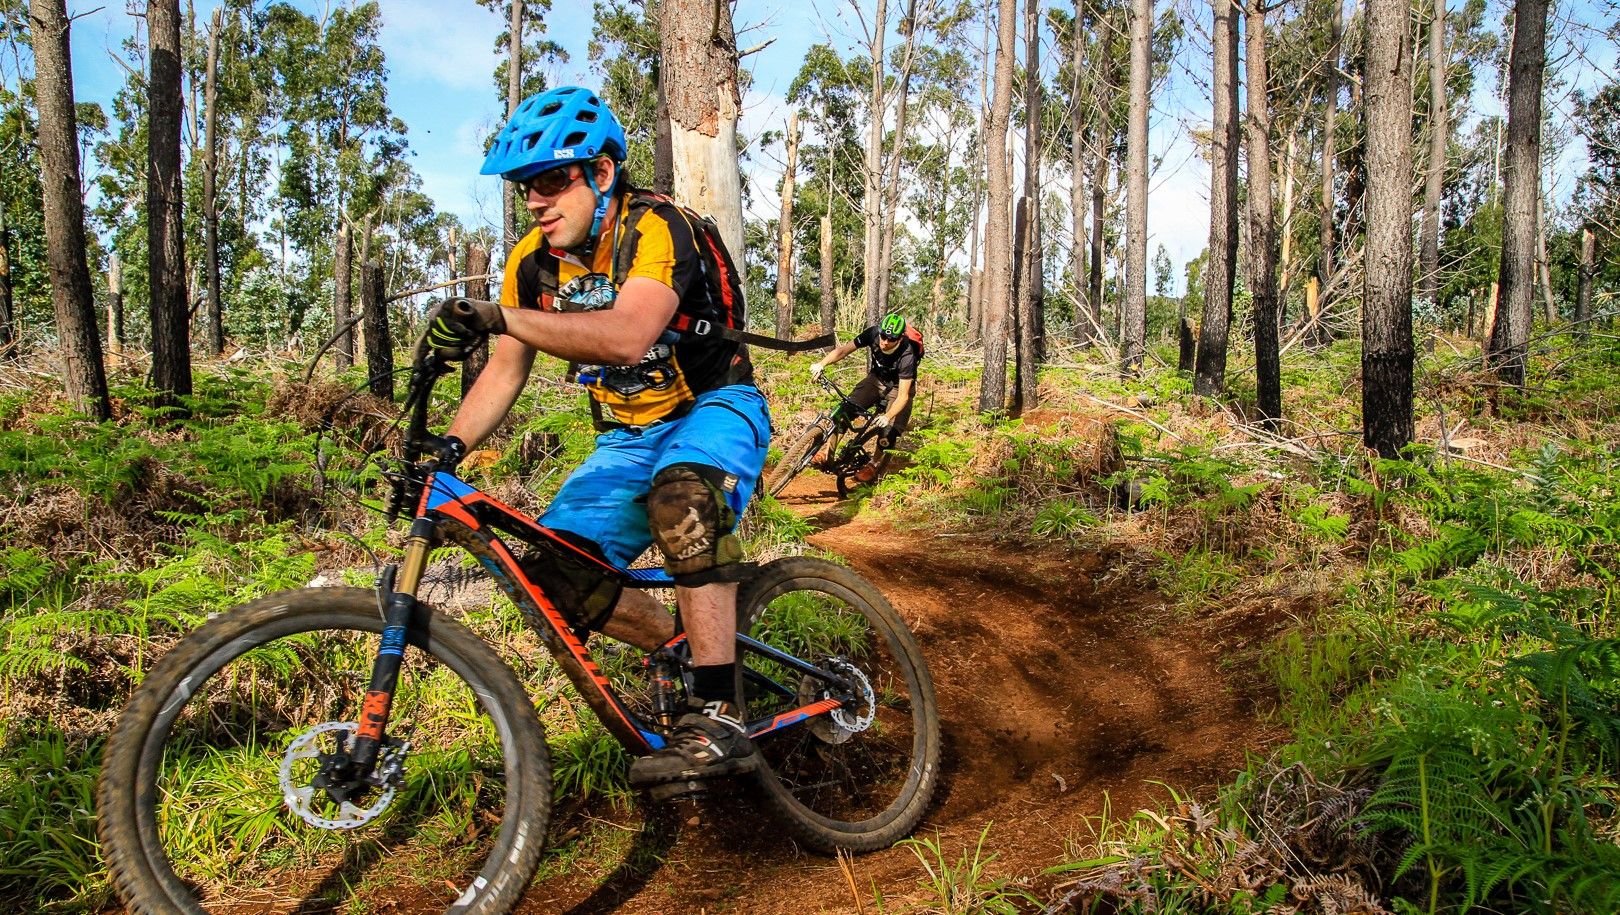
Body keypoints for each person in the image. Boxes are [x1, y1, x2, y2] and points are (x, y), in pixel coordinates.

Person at [425, 86, 769, 789]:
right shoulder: (531, 263)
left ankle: (720, 709)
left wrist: (500, 317)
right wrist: (446, 449)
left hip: (714, 406)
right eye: (526, 188)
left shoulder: (657, 227)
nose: (536, 201)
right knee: (551, 575)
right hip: (624, 438)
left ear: (603, 173)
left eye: (553, 181)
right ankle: (688, 648)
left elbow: (628, 332)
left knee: (683, 498)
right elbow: (504, 371)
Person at [807, 312, 920, 481]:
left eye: (891, 339)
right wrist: (821, 364)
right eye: (883, 336)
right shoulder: (873, 333)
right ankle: (827, 454)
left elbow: (903, 396)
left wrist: (887, 416)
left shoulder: (907, 356)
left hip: (899, 387)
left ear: (900, 338)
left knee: (888, 432)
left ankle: (873, 464)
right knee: (843, 412)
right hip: (876, 379)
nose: (885, 342)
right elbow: (843, 350)